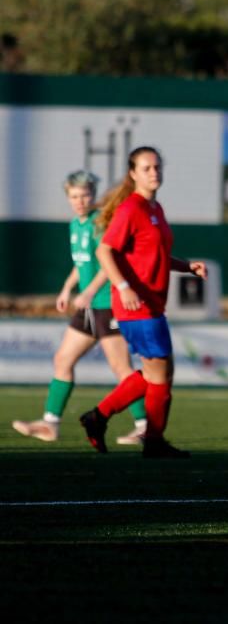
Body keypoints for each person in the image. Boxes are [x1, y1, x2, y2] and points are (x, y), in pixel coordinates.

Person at [78, 146, 207, 459]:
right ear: (133, 173)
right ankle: (152, 440)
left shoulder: (155, 208)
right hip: (137, 307)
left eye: (157, 167)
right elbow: (104, 252)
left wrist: (187, 266)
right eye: (147, 168)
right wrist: (123, 287)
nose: (154, 172)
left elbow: (157, 256)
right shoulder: (131, 209)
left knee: (159, 374)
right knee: (159, 375)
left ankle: (101, 419)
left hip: (151, 304)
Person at [12, 170, 147, 445]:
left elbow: (110, 265)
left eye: (85, 195)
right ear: (68, 198)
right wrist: (66, 288)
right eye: (74, 196)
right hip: (88, 308)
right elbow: (82, 262)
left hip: (108, 305)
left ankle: (146, 427)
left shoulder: (101, 223)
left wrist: (88, 291)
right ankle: (50, 424)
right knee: (62, 360)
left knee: (122, 369)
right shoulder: (75, 224)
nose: (80, 200)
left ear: (93, 195)